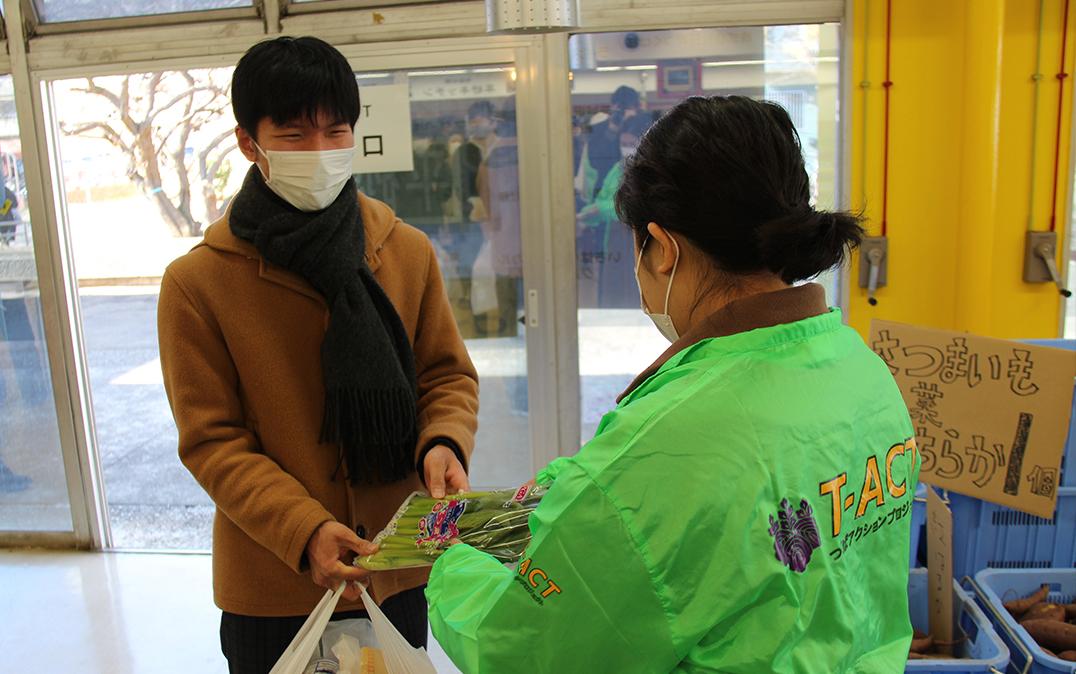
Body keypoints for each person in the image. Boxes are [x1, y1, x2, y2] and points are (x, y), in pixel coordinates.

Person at [426, 96, 919, 673]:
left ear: (661, 248)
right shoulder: (860, 367)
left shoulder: (672, 441)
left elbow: (521, 650)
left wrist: (447, 560)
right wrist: (572, 486)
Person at [157, 36, 479, 674]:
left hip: (393, 567)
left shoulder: (405, 252)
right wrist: (303, 529)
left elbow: (445, 376)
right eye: (295, 136)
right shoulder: (198, 284)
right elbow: (212, 440)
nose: (320, 152)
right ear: (249, 143)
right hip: (275, 582)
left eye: (335, 132)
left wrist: (443, 442)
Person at [577, 112, 653, 309]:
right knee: (612, 297)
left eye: (630, 142)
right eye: (622, 142)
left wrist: (600, 210)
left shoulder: (651, 171)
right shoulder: (618, 168)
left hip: (637, 245)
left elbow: (633, 204)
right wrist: (587, 215)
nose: (625, 147)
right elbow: (602, 198)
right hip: (613, 244)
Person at [581, 85, 640, 199]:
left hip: (634, 190)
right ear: (613, 107)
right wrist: (611, 131)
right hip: (604, 191)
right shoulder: (598, 129)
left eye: (627, 108)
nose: (623, 113)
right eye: (620, 108)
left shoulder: (641, 126)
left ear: (636, 109)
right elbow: (595, 162)